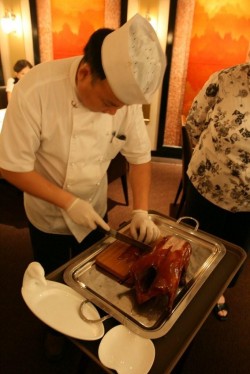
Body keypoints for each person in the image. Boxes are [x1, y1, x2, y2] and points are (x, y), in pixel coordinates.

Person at [182, 63, 250, 321]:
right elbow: (195, 121)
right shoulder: (225, 79)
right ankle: (186, 283)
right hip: (207, 185)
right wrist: (212, 160)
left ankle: (217, 291)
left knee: (233, 251)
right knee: (195, 242)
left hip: (247, 202)